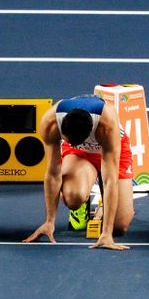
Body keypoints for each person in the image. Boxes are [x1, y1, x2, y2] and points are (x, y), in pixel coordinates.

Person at [23, 95, 130, 249]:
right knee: (73, 197)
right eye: (67, 140)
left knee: (119, 227)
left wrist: (106, 233)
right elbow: (53, 173)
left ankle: (102, 208)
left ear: (89, 133)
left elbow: (109, 180)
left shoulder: (106, 126)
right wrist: (49, 221)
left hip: (111, 151)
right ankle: (81, 195)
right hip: (79, 155)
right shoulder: (50, 123)